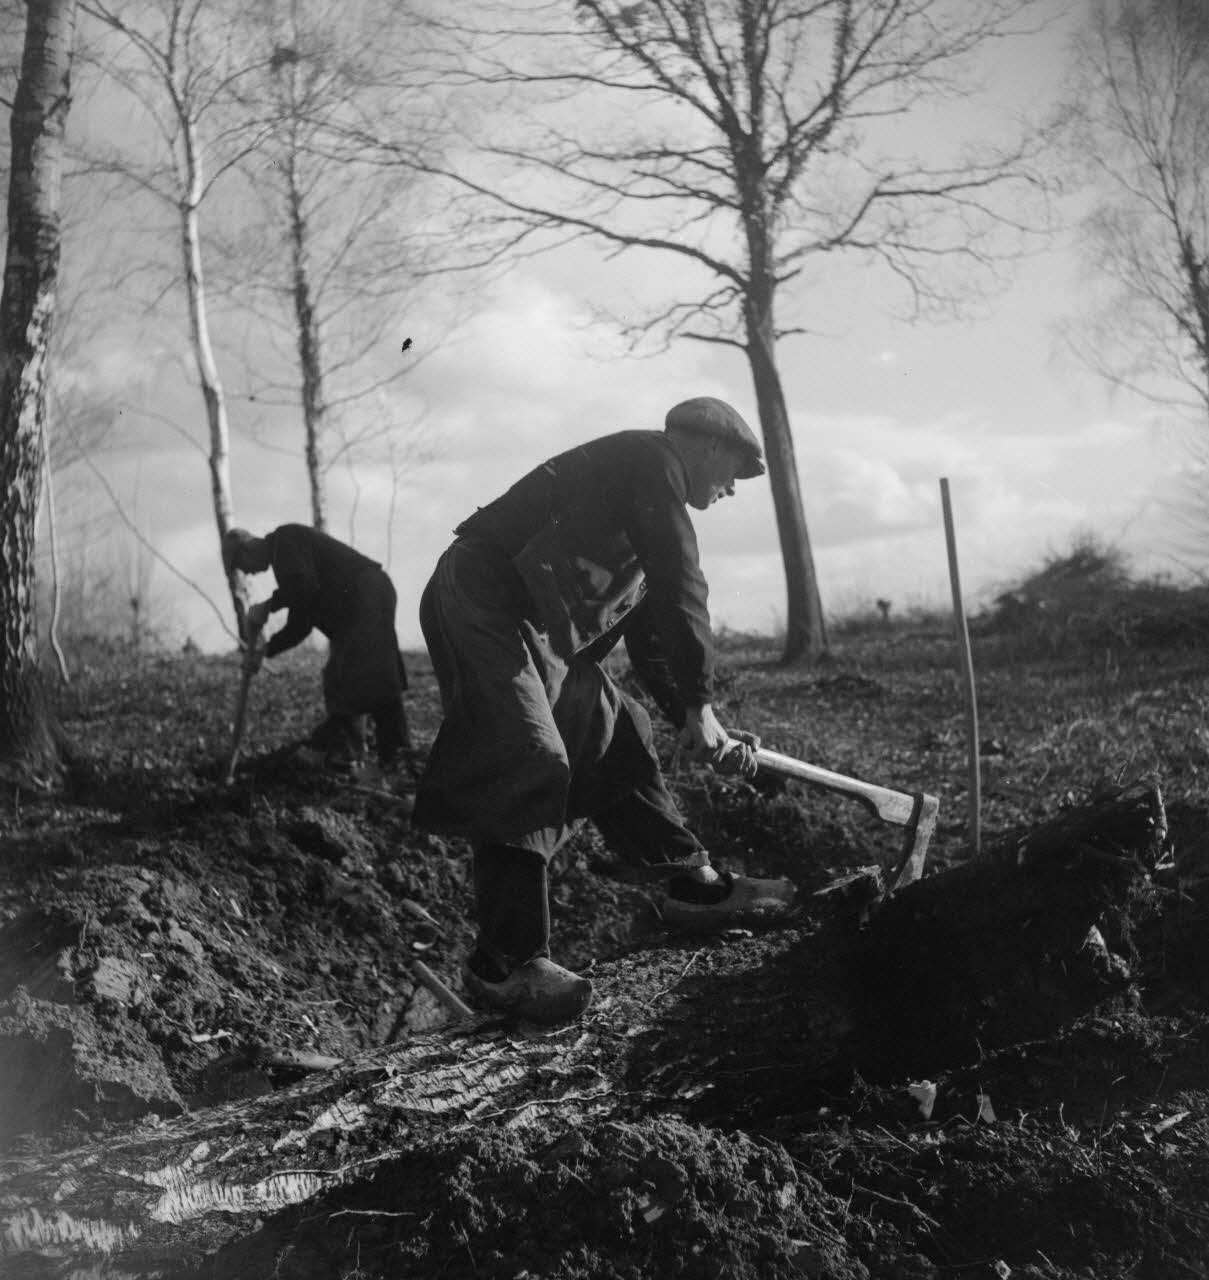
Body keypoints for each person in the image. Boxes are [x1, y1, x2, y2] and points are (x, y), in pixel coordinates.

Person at [415, 395, 795, 1026]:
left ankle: (689, 882)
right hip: (479, 594)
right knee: (526, 752)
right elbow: (682, 584)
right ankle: (504, 964)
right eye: (735, 470)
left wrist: (694, 716)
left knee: (620, 727)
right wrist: (700, 703)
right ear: (706, 445)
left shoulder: (642, 505)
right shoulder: (650, 461)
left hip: (530, 622)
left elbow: (651, 644)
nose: (733, 488)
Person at [222, 523, 413, 773]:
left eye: (242, 565)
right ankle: (355, 754)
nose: (248, 574)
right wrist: (263, 651)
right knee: (338, 678)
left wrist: (269, 605)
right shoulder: (284, 561)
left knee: (372, 675)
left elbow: (303, 587)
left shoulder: (285, 539)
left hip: (367, 594)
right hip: (352, 612)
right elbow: (301, 623)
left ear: (247, 548)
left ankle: (392, 757)